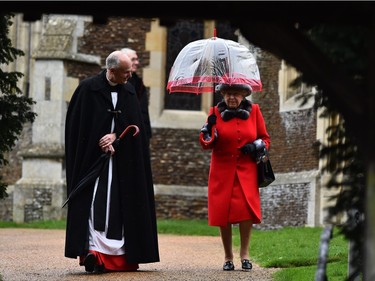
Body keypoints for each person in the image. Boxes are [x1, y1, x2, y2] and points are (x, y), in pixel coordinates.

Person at [64, 50, 159, 273]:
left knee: (120, 205)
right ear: (112, 71)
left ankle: (122, 257)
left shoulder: (128, 91)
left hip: (122, 166)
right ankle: (94, 254)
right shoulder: (88, 89)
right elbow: (77, 129)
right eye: (126, 72)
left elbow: (137, 126)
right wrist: (97, 142)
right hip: (93, 164)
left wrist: (117, 135)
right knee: (94, 205)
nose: (130, 75)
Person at [199, 83, 270, 272]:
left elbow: (265, 138)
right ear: (222, 94)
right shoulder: (214, 111)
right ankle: (228, 257)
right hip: (222, 171)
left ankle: (245, 255)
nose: (232, 98)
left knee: (246, 211)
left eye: (236, 94)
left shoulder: (254, 111)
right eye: (228, 94)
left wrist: (254, 146)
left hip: (246, 170)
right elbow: (206, 144)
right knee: (224, 213)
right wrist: (209, 127)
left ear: (244, 95)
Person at [120, 47, 152, 141]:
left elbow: (143, 111)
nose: (137, 62)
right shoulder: (117, 82)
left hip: (138, 134)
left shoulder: (138, 83)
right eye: (133, 59)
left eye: (137, 59)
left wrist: (146, 134)